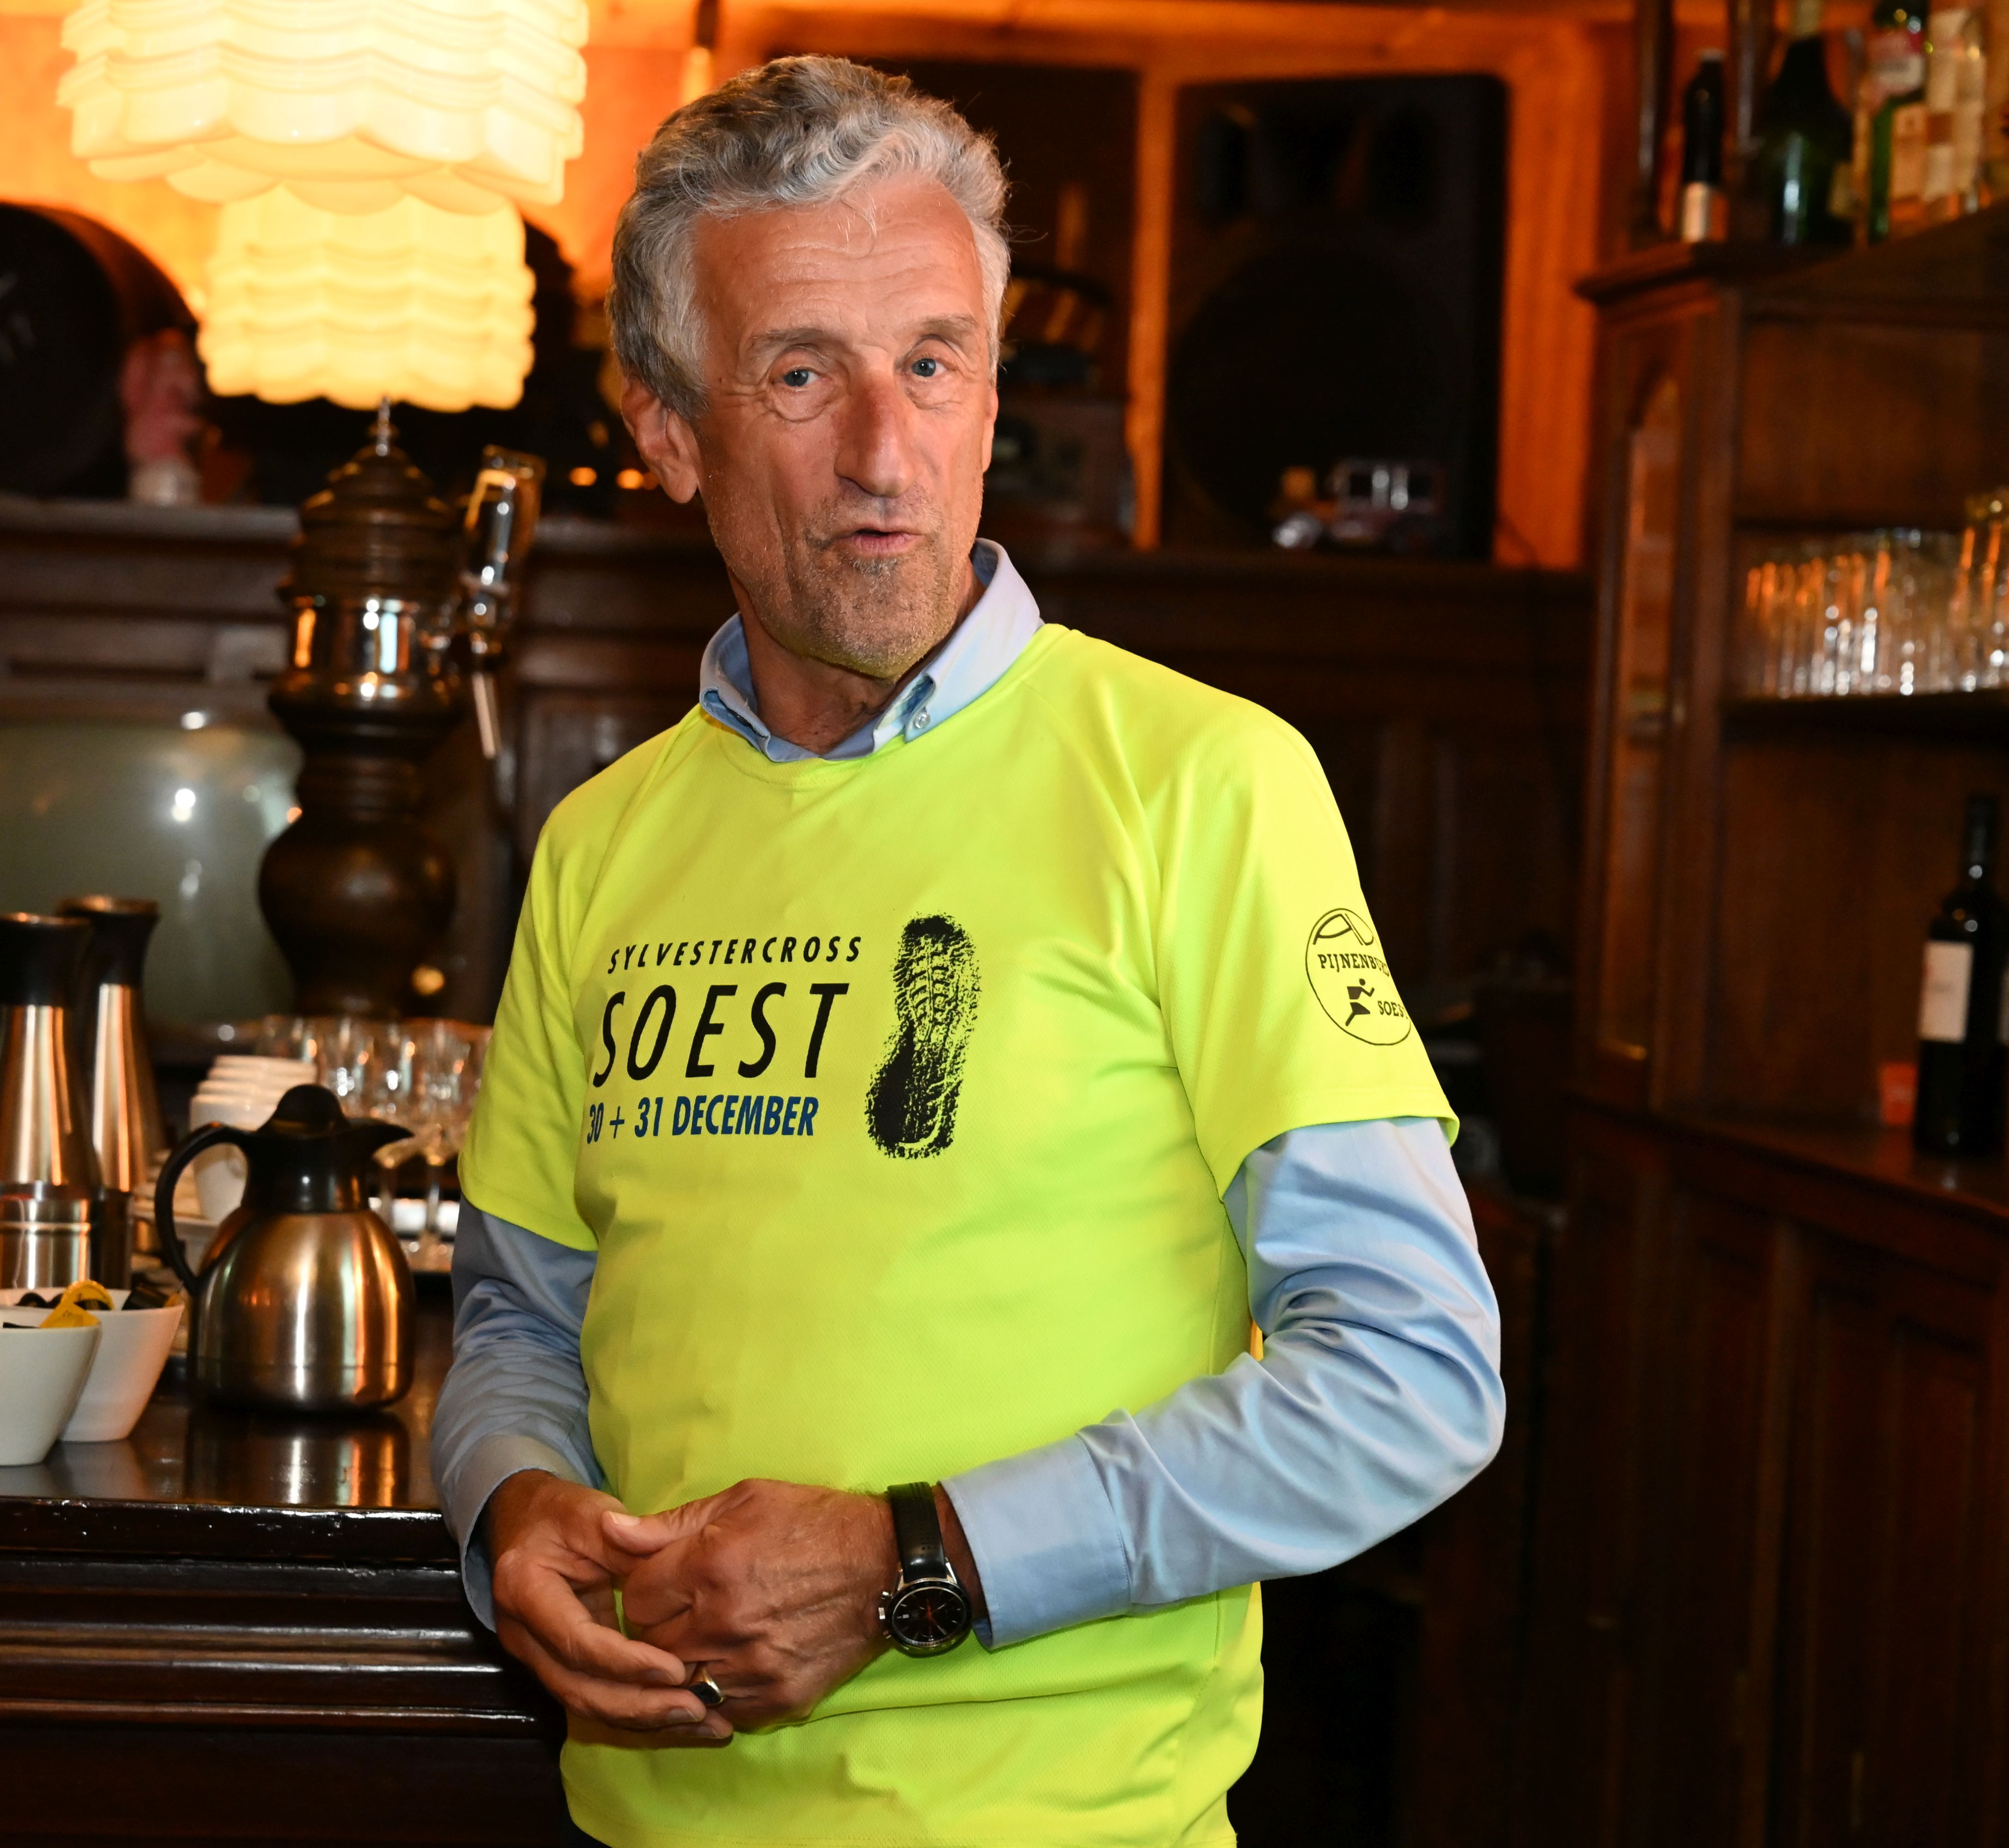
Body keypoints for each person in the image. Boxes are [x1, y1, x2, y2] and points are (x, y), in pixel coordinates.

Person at [430, 57, 1505, 1848]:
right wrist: (513, 1502)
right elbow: (522, 1321)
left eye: (933, 362)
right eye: (802, 374)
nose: (886, 452)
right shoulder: (603, 844)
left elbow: (1413, 1375)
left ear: (994, 395)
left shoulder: (1203, 785)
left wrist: (918, 1558)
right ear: (671, 431)